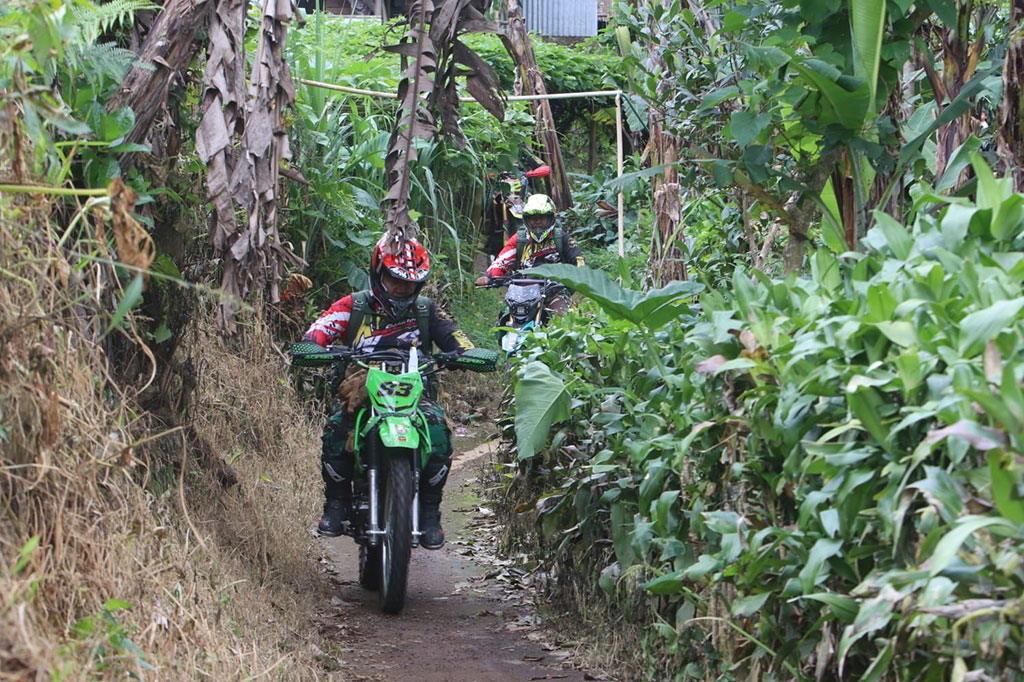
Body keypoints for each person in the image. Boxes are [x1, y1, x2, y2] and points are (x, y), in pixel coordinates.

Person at [301, 234, 473, 549]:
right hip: (362, 388)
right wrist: (316, 348)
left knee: (438, 432)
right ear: (379, 272)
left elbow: (458, 340)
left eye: (410, 282)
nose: (402, 288)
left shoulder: (426, 311)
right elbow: (317, 332)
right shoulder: (353, 306)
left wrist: (465, 355)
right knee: (338, 428)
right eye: (395, 279)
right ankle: (335, 505)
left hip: (414, 391)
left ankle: (430, 510)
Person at [475, 193, 585, 313]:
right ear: (526, 219)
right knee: (504, 317)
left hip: (556, 290)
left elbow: (578, 258)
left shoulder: (561, 237)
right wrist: (488, 277)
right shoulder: (520, 239)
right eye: (533, 218)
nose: (537, 222)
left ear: (551, 218)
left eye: (541, 218)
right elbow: (502, 260)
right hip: (522, 292)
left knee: (561, 315)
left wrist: (581, 274)